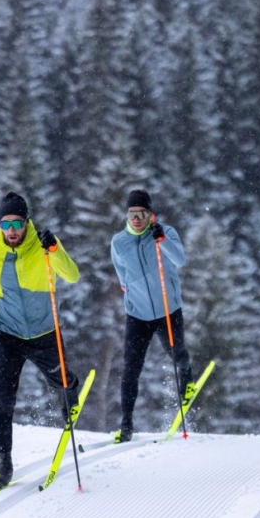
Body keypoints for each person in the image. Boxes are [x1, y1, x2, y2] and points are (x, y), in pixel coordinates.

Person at [0, 191, 81, 488]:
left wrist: (56, 249)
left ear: (27, 223)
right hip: (6, 335)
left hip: (43, 333)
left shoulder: (44, 247)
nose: (11, 231)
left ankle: (70, 390)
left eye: (16, 223)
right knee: (2, 401)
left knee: (60, 380)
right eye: (5, 224)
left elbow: (72, 275)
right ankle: (4, 462)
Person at [110, 189, 193, 442]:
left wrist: (162, 241)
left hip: (168, 309)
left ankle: (186, 377)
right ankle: (126, 424)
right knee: (131, 369)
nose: (136, 219)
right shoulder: (118, 242)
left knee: (176, 353)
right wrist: (132, 294)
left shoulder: (166, 233)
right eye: (132, 214)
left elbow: (180, 260)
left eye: (141, 213)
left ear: (150, 214)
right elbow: (121, 276)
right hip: (137, 315)